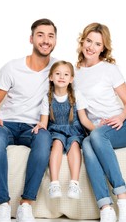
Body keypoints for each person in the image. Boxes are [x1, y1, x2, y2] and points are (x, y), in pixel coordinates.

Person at [0, 18, 57, 222]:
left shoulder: (58, 69)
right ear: (31, 38)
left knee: (45, 139)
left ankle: (26, 204)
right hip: (7, 123)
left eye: (50, 36)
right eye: (41, 35)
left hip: (34, 127)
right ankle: (3, 205)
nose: (45, 40)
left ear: (55, 41)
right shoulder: (12, 68)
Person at [74, 22, 126, 222]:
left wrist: (120, 117)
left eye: (97, 44)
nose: (91, 47)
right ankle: (106, 208)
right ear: (82, 41)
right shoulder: (74, 73)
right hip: (96, 130)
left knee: (96, 135)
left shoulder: (110, 70)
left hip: (122, 127)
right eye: (89, 41)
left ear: (103, 48)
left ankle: (124, 198)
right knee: (87, 142)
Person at [32, 61, 94, 199]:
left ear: (71, 79)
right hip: (56, 131)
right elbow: (44, 121)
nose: (62, 77)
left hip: (75, 131)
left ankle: (74, 184)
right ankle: (54, 184)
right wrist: (39, 126)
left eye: (66, 74)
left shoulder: (76, 95)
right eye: (58, 74)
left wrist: (97, 131)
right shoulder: (47, 98)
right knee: (57, 144)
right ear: (51, 77)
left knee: (74, 145)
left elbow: (84, 120)